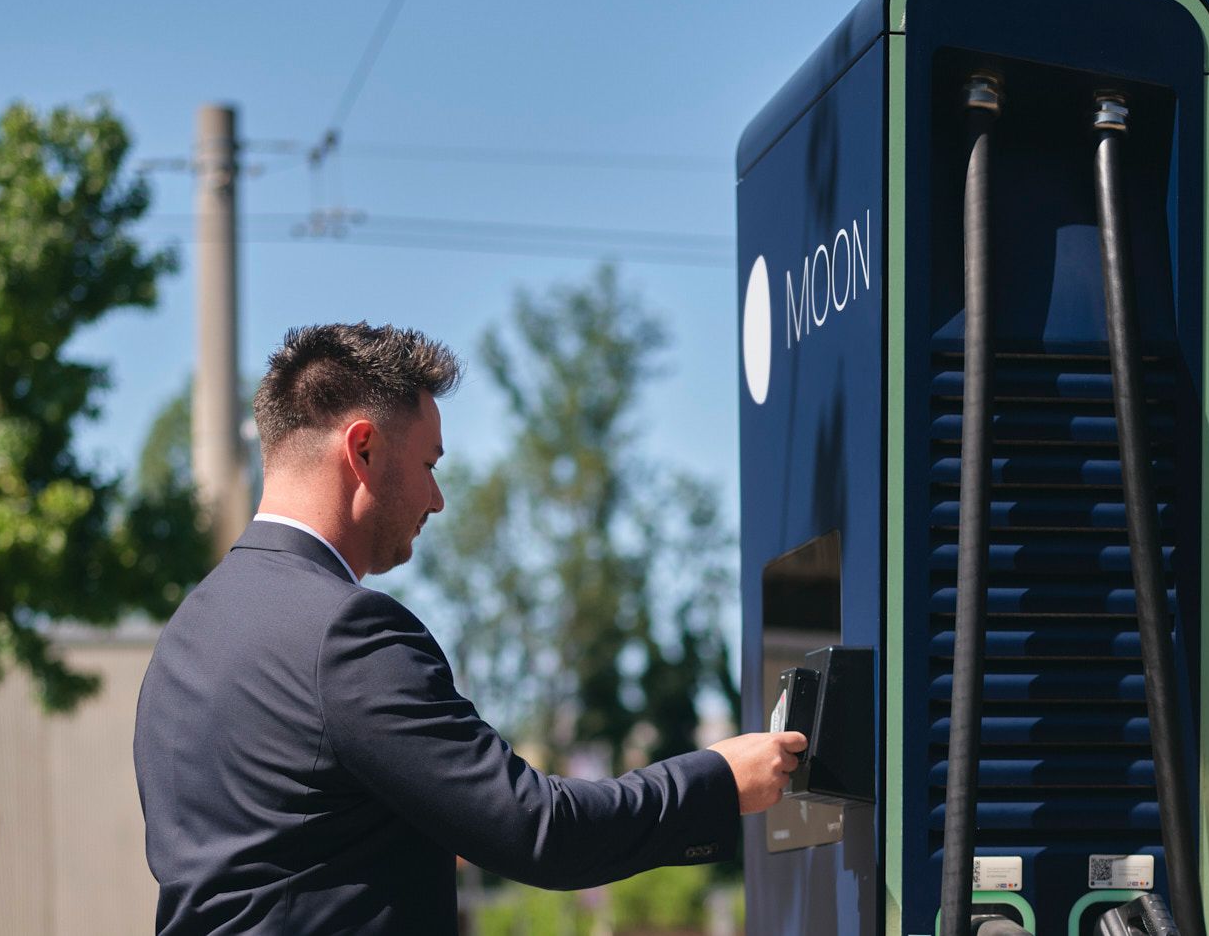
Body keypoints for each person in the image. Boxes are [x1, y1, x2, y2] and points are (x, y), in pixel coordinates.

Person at [134, 321, 804, 935]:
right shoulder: (344, 633)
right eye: (429, 465)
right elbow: (538, 830)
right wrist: (717, 780)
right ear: (362, 449)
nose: (437, 498)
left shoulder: (187, 637)